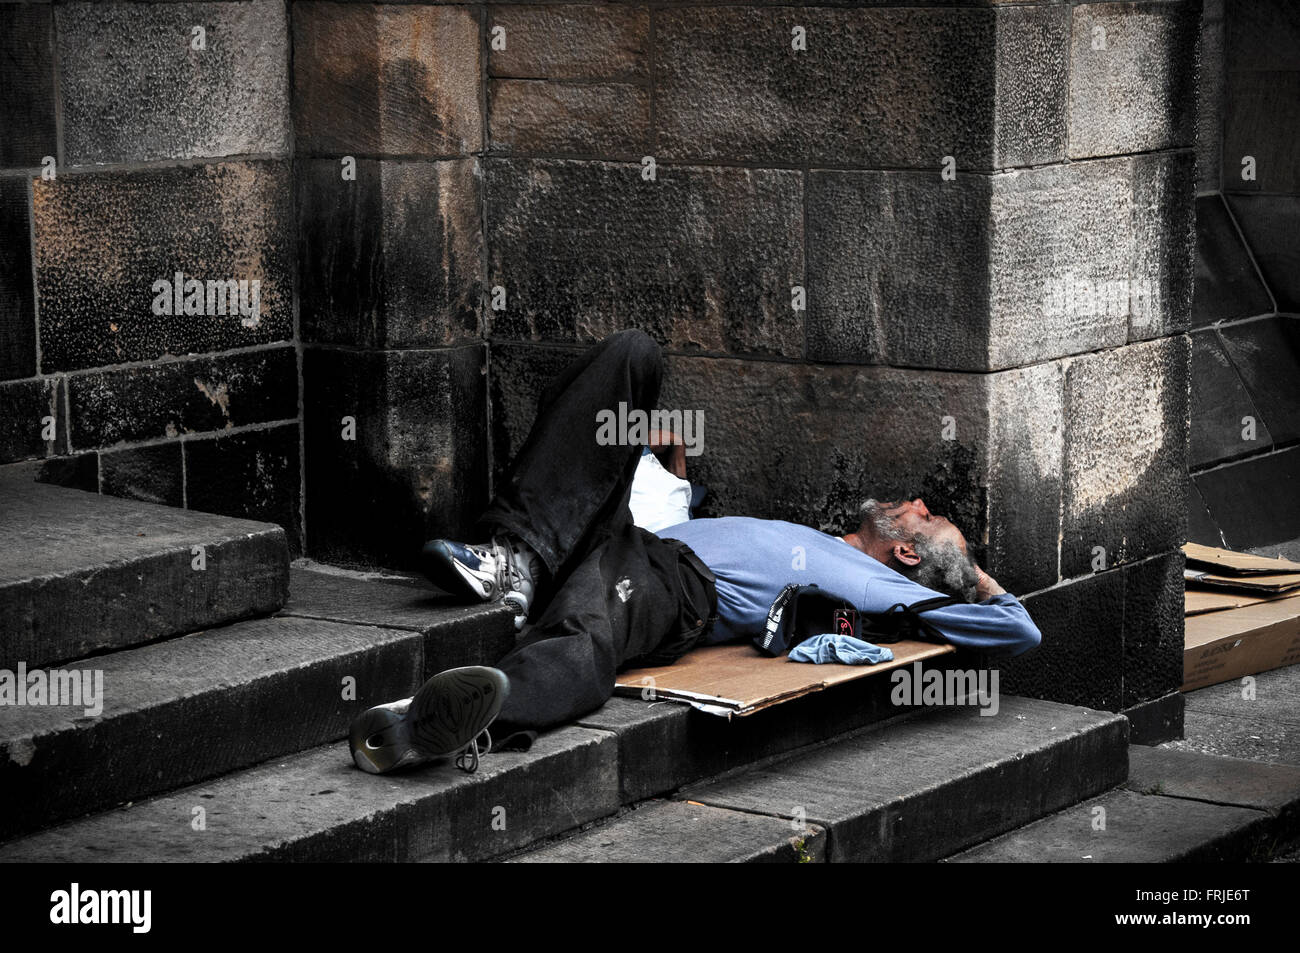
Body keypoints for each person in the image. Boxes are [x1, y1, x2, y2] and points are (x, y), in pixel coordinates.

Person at [347, 330, 1041, 776]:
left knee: (593, 630)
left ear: (908, 554)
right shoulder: (824, 541)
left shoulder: (882, 589)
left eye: (928, 518)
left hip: (669, 582)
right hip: (621, 532)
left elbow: (1019, 629)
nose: (918, 502)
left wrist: (973, 574)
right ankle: (517, 559)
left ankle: (428, 722)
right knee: (635, 356)